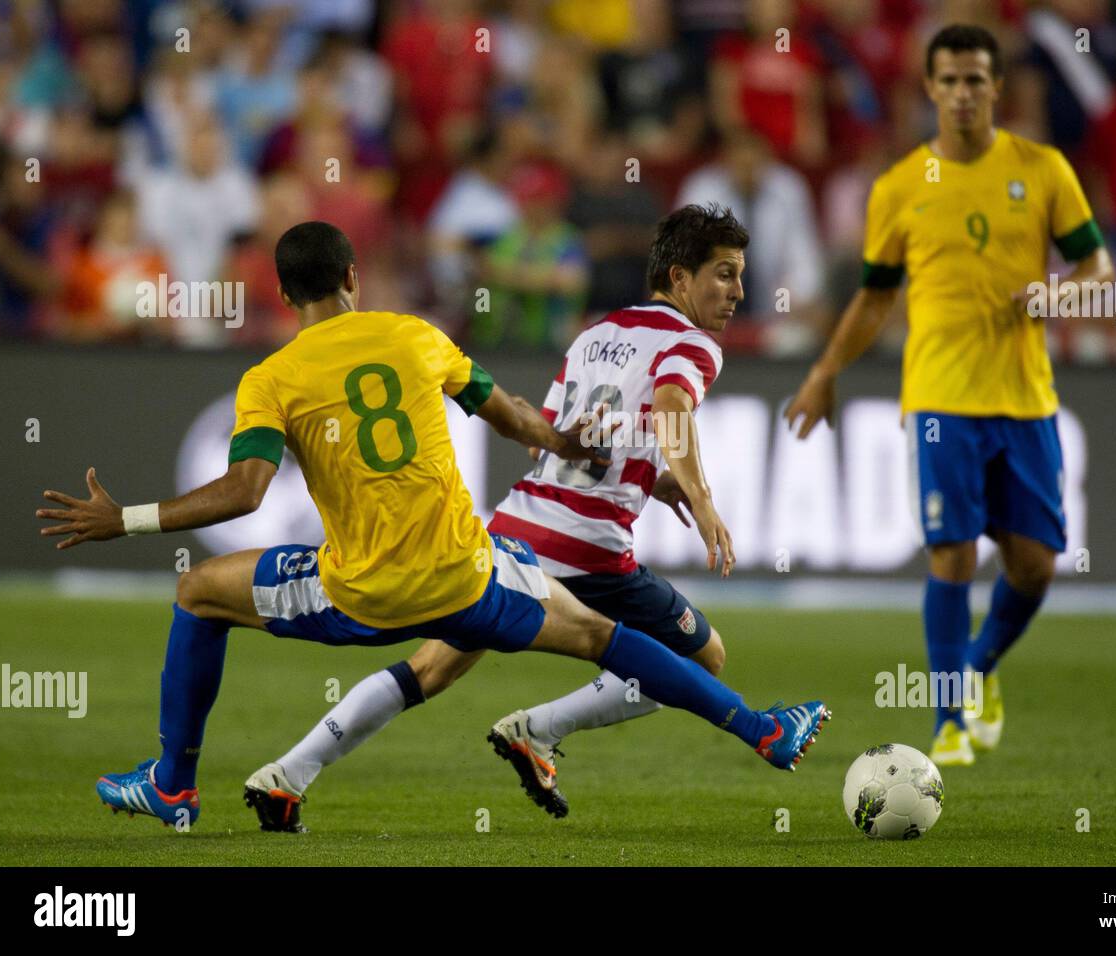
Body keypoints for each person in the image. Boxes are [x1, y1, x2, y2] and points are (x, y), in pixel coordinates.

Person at [36, 220, 827, 830]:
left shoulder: (270, 377)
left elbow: (245, 493)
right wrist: (567, 446)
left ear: (284, 297)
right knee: (602, 640)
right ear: (354, 276)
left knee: (199, 590)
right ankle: (759, 731)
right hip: (469, 573)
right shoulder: (416, 335)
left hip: (359, 593)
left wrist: (128, 518)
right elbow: (512, 414)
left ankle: (175, 782)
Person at [243, 205, 764, 828]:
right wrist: (703, 502)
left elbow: (554, 438)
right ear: (679, 279)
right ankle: (539, 729)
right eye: (725, 275)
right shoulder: (693, 343)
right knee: (700, 657)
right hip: (588, 546)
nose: (738, 293)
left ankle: (289, 773)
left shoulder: (595, 334)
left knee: (430, 669)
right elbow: (673, 403)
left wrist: (656, 478)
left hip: (517, 526)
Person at [785, 25, 1114, 767]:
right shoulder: (899, 188)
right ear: (929, 90)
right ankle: (948, 721)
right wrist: (824, 371)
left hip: (1025, 397)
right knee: (951, 554)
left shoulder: (1044, 168)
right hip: (938, 399)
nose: (963, 93)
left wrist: (1057, 293)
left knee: (1033, 567)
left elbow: (1098, 266)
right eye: (950, 81)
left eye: (976, 80)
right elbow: (873, 299)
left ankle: (978, 669)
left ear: (997, 88)